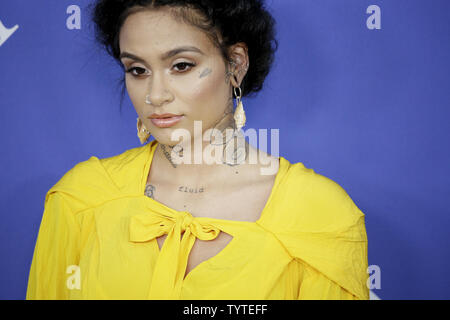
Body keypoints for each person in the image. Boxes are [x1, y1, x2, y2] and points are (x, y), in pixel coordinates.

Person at [26, 0, 369, 300]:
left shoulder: (321, 219)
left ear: (235, 64)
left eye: (181, 66)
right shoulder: (81, 199)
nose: (155, 95)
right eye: (137, 70)